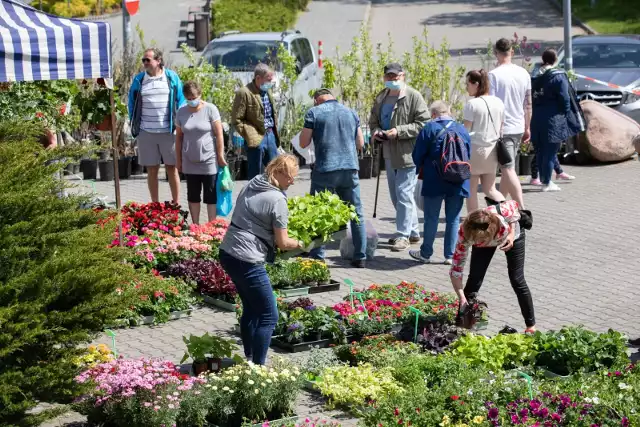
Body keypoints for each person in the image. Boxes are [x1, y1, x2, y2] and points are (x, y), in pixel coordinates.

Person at [218, 154, 305, 365]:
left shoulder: (251, 184)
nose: (292, 182)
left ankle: (249, 358)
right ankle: (258, 368)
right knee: (269, 315)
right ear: (277, 172)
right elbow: (283, 242)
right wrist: (302, 244)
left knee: (250, 308)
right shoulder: (277, 199)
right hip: (248, 259)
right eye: (290, 177)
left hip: (228, 252)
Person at [299, 88, 368, 268]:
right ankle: (361, 256)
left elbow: (303, 142)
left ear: (316, 100)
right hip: (350, 168)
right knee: (355, 212)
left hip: (325, 169)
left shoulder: (314, 112)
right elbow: (360, 143)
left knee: (319, 211)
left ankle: (318, 256)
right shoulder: (351, 112)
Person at [449, 199, 536, 333]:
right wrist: (461, 297)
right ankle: (463, 326)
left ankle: (530, 326)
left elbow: (513, 204)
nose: (479, 242)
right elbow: (456, 269)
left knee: (517, 279)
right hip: (489, 238)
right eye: (476, 240)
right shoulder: (464, 234)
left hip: (511, 236)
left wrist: (512, 234)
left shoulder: (501, 213)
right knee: (474, 279)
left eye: (482, 239)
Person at [369, 62, 429, 252]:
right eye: (389, 77)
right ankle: (413, 231)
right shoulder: (381, 97)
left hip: (407, 154)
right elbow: (373, 122)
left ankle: (402, 236)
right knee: (397, 197)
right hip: (388, 153)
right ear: (384, 77)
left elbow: (423, 123)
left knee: (403, 194)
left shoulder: (413, 96)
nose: (393, 79)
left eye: (396, 76)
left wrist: (399, 131)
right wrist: (376, 132)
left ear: (403, 76)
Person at [410, 100, 471, 265]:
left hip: (434, 180)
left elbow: (417, 156)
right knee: (453, 219)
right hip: (458, 179)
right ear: (449, 111)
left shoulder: (429, 129)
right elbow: (468, 154)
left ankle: (426, 254)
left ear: (433, 114)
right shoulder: (461, 129)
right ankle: (450, 256)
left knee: (431, 218)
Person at [128, 48, 186, 204]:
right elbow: (131, 102)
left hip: (169, 131)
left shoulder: (171, 77)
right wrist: (135, 125)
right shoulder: (139, 80)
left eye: (148, 60)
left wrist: (179, 123)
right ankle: (155, 204)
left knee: (171, 168)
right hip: (146, 132)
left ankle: (176, 203)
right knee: (151, 170)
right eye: (143, 60)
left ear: (158, 60)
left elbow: (181, 100)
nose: (145, 63)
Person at [530, 48, 583, 191]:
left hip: (536, 117)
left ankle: (542, 179)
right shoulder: (558, 76)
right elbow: (565, 98)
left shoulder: (534, 75)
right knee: (550, 151)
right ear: (555, 60)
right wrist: (565, 113)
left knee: (540, 150)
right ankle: (547, 182)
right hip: (553, 118)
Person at [175, 81, 227, 224]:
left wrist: (220, 155)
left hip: (209, 159)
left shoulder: (210, 109)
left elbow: (219, 134)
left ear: (200, 95)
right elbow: (179, 137)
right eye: (189, 99)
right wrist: (178, 160)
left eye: (194, 97)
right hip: (189, 159)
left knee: (210, 194)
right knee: (193, 194)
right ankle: (196, 225)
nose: (192, 101)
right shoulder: (181, 112)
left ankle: (211, 224)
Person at [488, 38, 528, 209]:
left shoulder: (494, 75)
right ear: (511, 52)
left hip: (503, 129)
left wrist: (493, 129)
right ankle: (500, 205)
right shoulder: (524, 73)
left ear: (496, 53)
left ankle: (522, 209)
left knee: (508, 169)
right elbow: (529, 104)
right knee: (506, 169)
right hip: (518, 126)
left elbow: (493, 105)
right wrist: (528, 127)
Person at [463, 70, 509, 213]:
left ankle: (474, 221)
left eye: (468, 83)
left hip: (475, 150)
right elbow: (501, 127)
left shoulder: (472, 104)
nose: (466, 87)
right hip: (493, 149)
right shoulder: (498, 102)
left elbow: (465, 131)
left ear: (476, 84)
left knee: (471, 189)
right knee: (490, 189)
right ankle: (507, 213)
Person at [231, 63, 280, 180]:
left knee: (275, 171)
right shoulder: (244, 93)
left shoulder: (266, 91)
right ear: (258, 78)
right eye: (268, 80)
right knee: (255, 174)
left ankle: (273, 196)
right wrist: (250, 134)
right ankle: (253, 196)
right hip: (256, 137)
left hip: (270, 135)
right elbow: (236, 119)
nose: (271, 82)